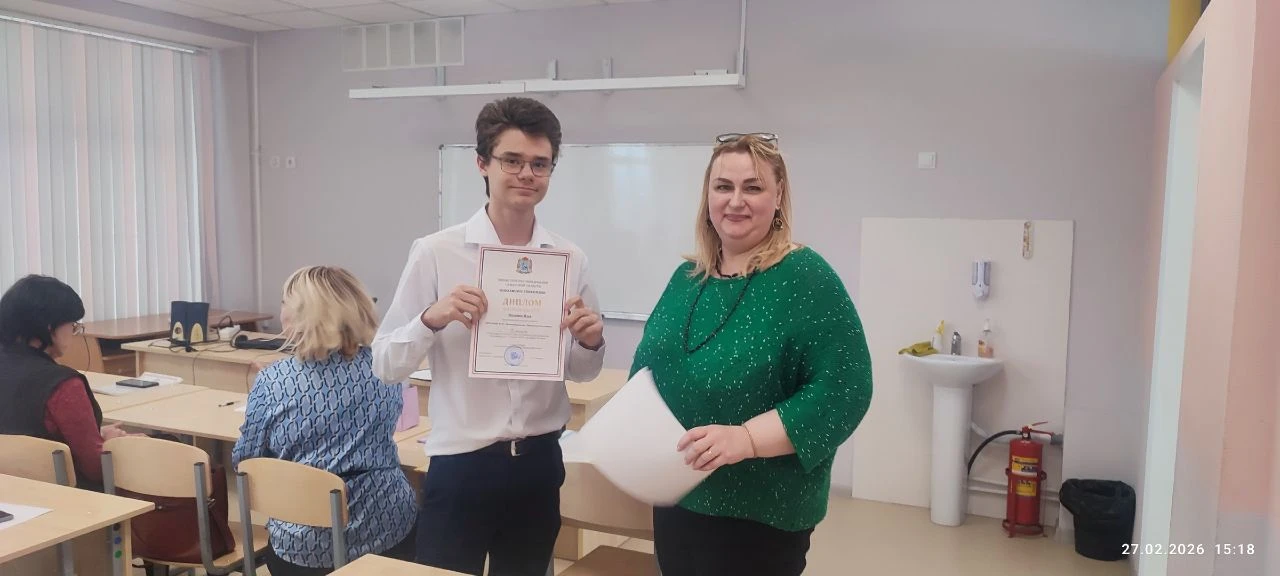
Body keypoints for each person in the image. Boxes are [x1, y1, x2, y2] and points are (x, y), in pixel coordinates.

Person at [373, 96, 605, 575]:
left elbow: (582, 373)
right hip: (462, 463)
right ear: (482, 163)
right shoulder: (436, 252)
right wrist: (431, 318)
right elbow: (385, 363)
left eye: (540, 164)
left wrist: (589, 342)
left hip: (539, 462)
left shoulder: (569, 259)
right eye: (512, 160)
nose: (526, 174)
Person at [630, 133, 873, 576]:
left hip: (762, 513)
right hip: (679, 497)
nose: (736, 200)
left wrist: (746, 439)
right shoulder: (687, 278)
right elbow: (648, 369)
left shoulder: (805, 277)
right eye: (723, 186)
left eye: (753, 187)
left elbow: (845, 387)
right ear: (708, 196)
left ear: (778, 198)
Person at [232, 266, 417, 575]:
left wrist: (273, 388)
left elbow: (246, 462)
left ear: (303, 315)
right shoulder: (386, 366)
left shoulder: (275, 381)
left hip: (303, 544)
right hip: (387, 528)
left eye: (284, 303)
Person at [0, 274, 132, 489]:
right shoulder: (62, 385)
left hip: (10, 496)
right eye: (72, 325)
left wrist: (93, 436)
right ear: (49, 327)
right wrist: (109, 444)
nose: (74, 332)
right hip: (65, 498)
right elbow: (95, 468)